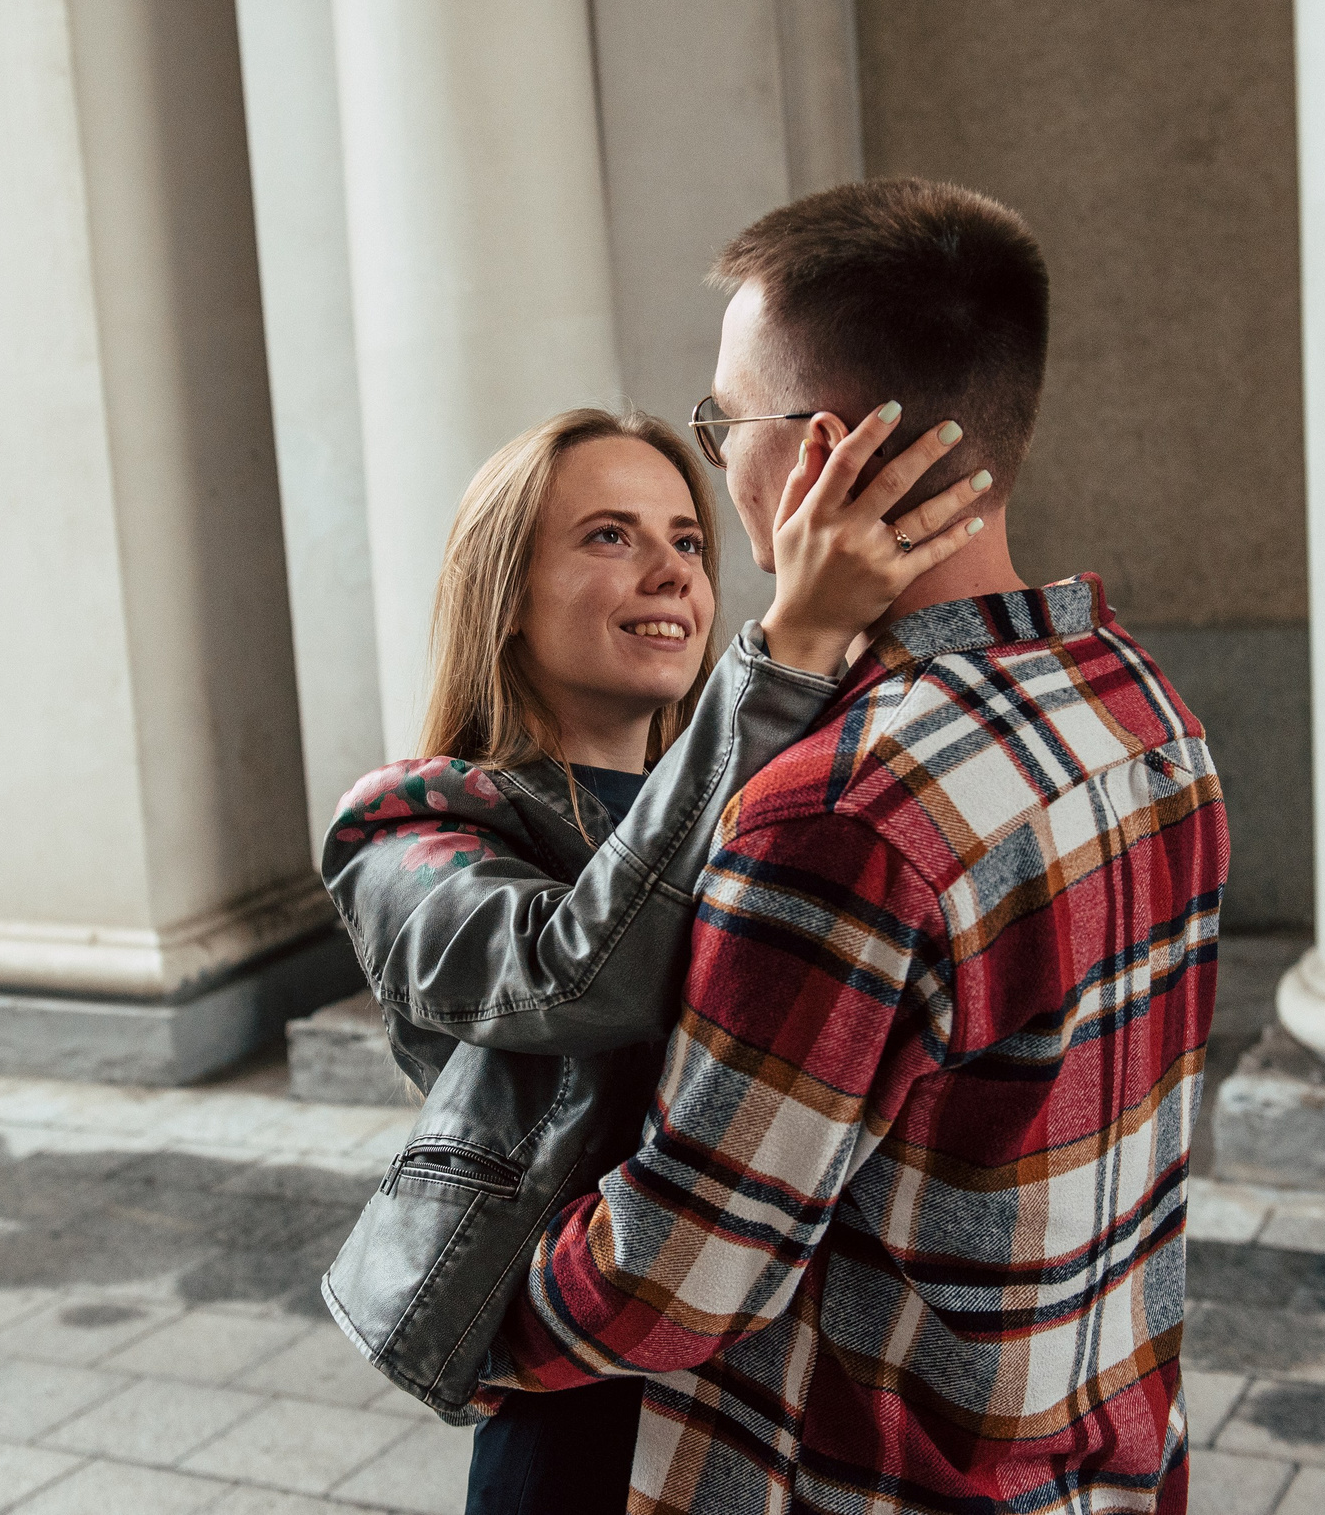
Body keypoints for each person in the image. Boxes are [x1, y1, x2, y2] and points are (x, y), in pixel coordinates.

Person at [489, 180, 1228, 1514]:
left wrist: (475, 1328)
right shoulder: (1143, 709)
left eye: (724, 425)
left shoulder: (842, 812)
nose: (719, 465)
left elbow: (678, 1268)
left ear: (824, 452)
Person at [320, 405, 992, 1514]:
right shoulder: (405, 824)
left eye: (686, 539)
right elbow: (573, 973)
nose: (669, 571)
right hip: (584, 1389)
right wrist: (785, 653)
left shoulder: (759, 794)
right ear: (504, 590)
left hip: (763, 1381)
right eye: (607, 535)